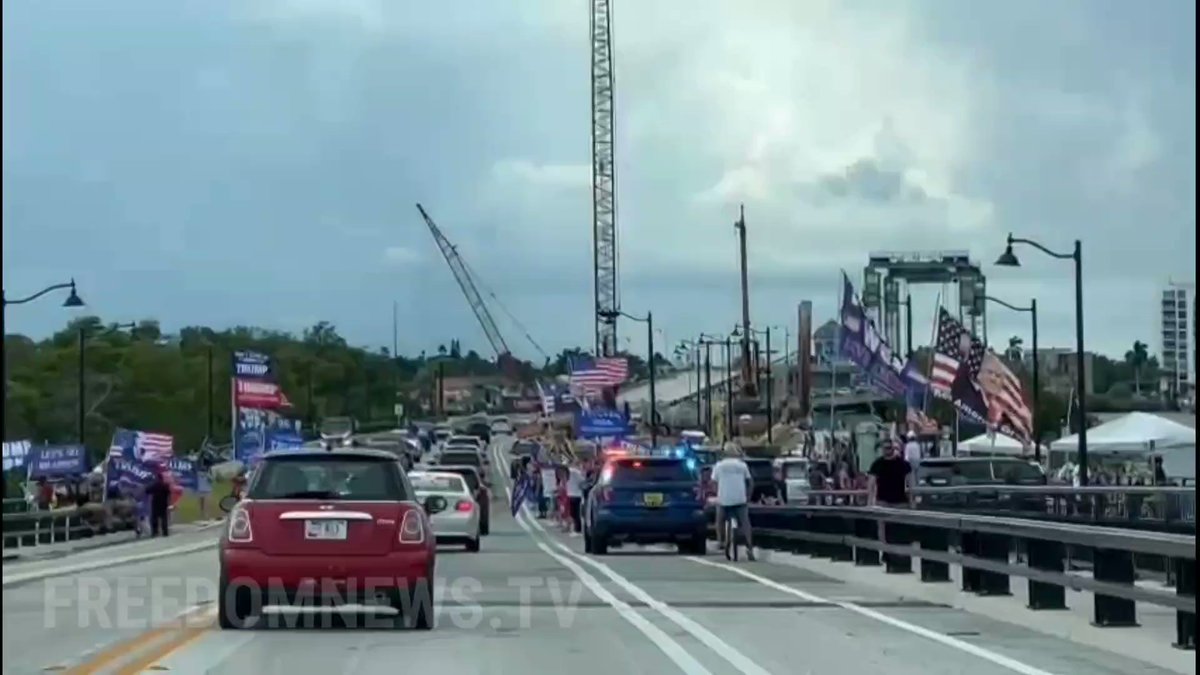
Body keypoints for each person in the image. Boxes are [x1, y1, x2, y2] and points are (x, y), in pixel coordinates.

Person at [711, 442, 756, 561]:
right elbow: (750, 483)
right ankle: (749, 547)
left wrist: (717, 493)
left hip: (724, 500)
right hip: (740, 499)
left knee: (719, 520)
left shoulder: (719, 466)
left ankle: (720, 541)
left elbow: (714, 483)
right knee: (745, 523)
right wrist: (748, 496)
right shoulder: (742, 465)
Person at [868, 440, 913, 507]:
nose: (887, 450)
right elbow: (871, 484)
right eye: (885, 448)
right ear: (882, 449)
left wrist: (911, 501)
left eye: (889, 447)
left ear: (893, 448)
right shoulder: (877, 464)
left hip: (900, 502)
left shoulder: (903, 464)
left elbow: (910, 484)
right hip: (882, 502)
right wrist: (870, 502)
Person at [147, 468, 172, 537]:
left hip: (155, 503)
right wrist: (169, 502)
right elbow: (169, 494)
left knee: (154, 518)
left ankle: (155, 532)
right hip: (163, 503)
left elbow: (148, 491)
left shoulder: (154, 485)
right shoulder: (165, 485)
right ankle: (165, 532)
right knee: (164, 518)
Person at [565, 462, 585, 535]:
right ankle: (576, 528)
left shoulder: (574, 472)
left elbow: (582, 480)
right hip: (571, 494)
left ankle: (578, 529)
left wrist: (580, 486)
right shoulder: (568, 472)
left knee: (575, 513)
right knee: (573, 513)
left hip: (576, 494)